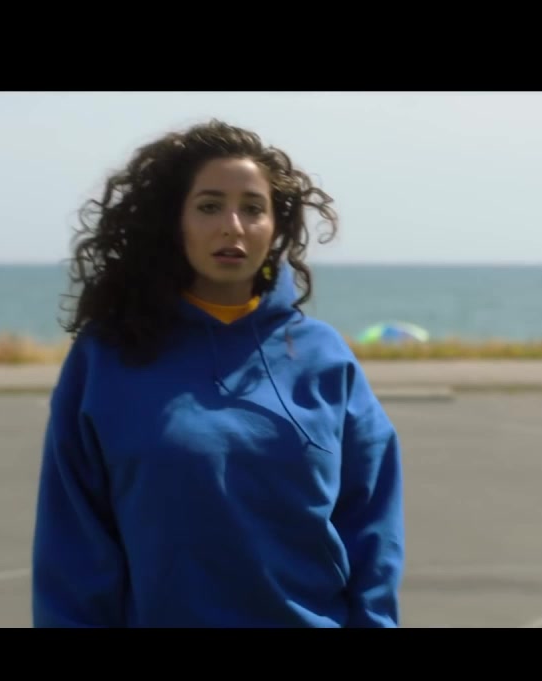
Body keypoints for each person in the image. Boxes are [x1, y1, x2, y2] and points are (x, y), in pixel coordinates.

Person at [31, 119, 404, 628]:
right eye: (209, 206)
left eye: (253, 208)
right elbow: (72, 543)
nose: (233, 226)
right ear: (174, 221)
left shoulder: (324, 357)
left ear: (276, 227)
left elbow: (373, 527)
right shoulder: (108, 356)